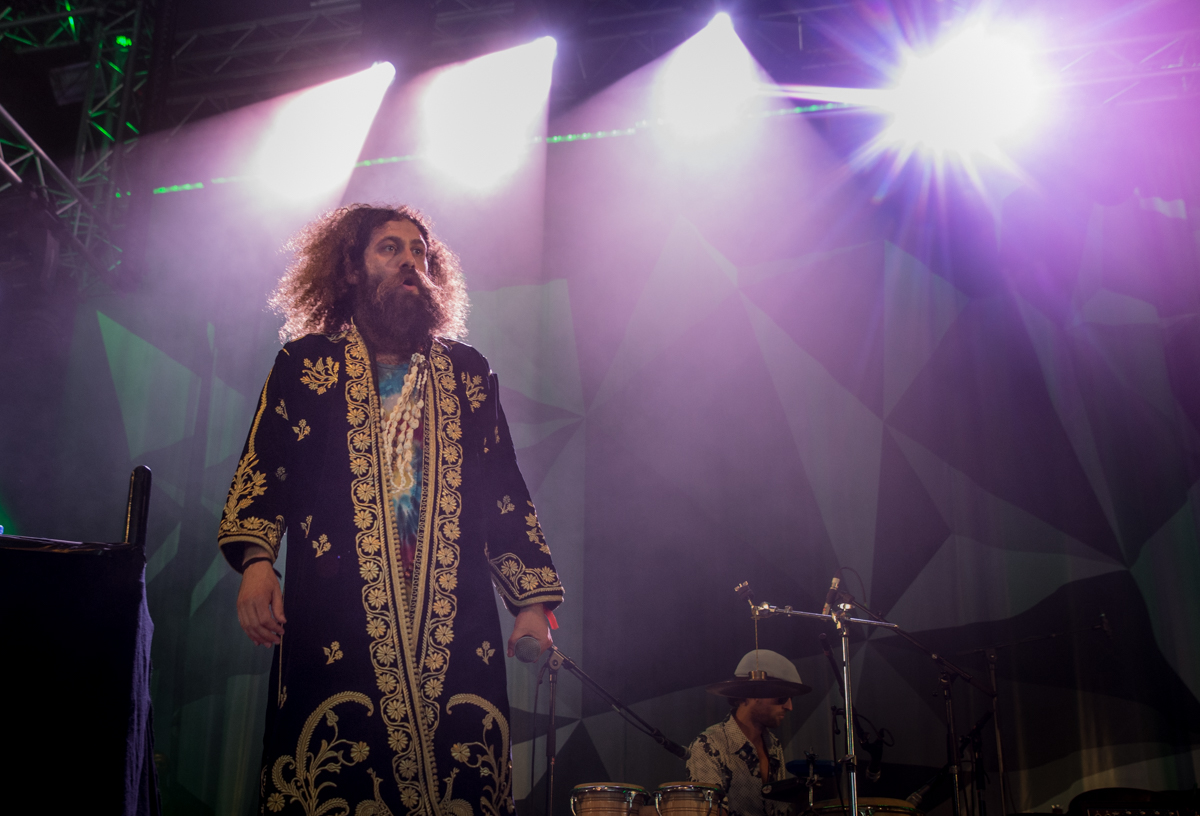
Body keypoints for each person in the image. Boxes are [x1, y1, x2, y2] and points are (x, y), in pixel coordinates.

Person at [219, 204, 564, 815]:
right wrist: (256, 563)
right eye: (390, 248)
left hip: (457, 624)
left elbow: (503, 489)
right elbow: (266, 470)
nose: (411, 260)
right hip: (332, 613)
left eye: (420, 253)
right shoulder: (306, 365)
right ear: (350, 269)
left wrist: (531, 604)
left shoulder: (469, 373)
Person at [687, 650, 804, 816]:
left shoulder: (773, 744)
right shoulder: (708, 745)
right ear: (755, 693)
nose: (789, 707)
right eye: (783, 698)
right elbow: (709, 812)